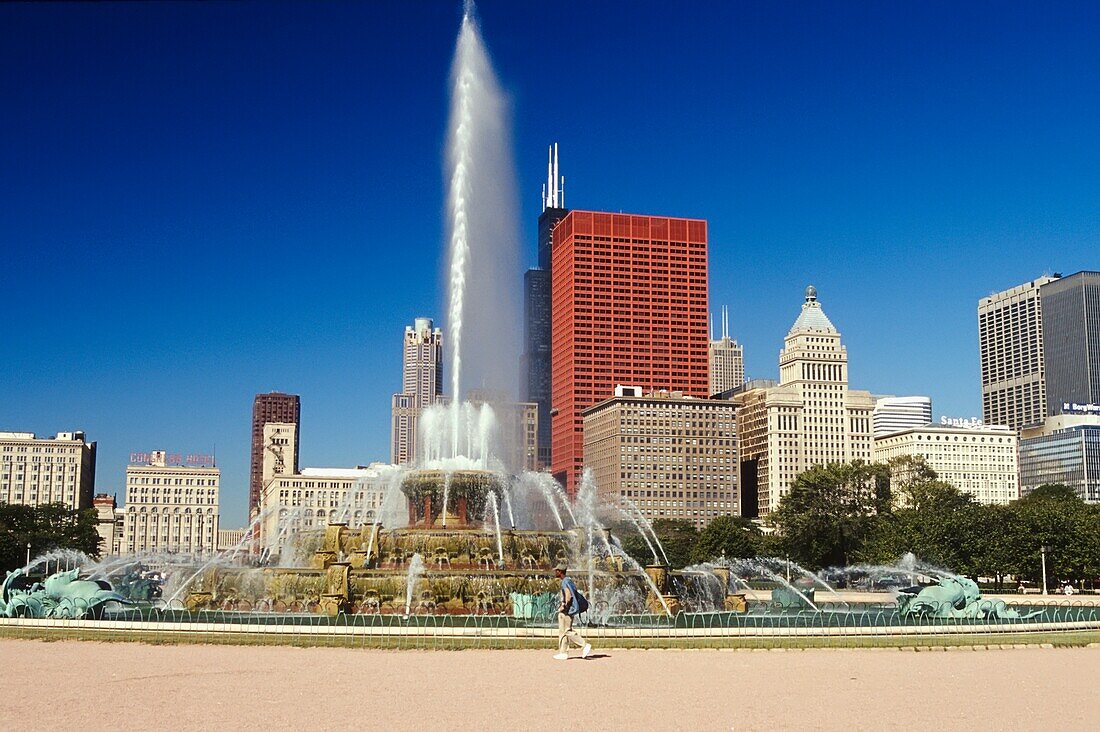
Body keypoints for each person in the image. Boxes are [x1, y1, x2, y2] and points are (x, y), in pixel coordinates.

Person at [553, 564, 591, 660]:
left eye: (556, 570)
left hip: (567, 611)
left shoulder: (564, 582)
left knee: (567, 630)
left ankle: (584, 644)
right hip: (570, 610)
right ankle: (563, 652)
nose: (555, 572)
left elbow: (568, 596)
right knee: (563, 631)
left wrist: (563, 606)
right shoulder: (569, 580)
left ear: (560, 572)